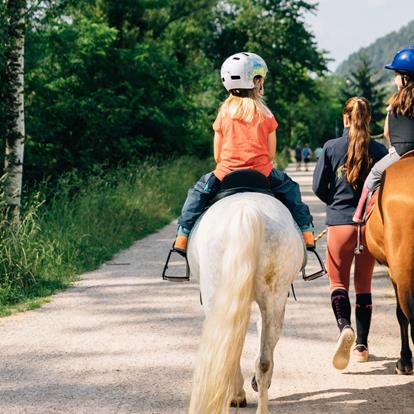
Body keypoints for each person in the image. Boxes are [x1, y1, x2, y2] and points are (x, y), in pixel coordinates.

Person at [174, 52, 314, 253]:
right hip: (262, 173)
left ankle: (183, 234)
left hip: (225, 175)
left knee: (196, 194)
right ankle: (307, 232)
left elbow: (217, 156)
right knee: (291, 190)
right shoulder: (266, 114)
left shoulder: (223, 114)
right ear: (256, 82)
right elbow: (271, 154)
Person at [313, 97, 387, 370]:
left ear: (346, 118)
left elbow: (319, 187)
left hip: (340, 225)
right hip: (368, 227)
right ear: (369, 119)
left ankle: (345, 327)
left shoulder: (331, 147)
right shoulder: (379, 149)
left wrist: (336, 203)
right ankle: (362, 347)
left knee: (338, 284)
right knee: (364, 286)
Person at [353, 46, 414, 223]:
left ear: (405, 77)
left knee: (374, 173)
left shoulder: (394, 102)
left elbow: (387, 132)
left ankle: (359, 213)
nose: (394, 79)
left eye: (395, 74)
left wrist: (394, 146)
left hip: (401, 153)